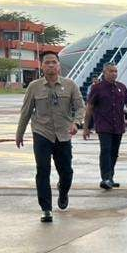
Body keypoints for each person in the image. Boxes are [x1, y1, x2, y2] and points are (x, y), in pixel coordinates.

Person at [15, 51, 84, 223]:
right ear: (42, 66)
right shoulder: (34, 87)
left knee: (66, 172)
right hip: (42, 133)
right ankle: (46, 208)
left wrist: (76, 123)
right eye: (47, 62)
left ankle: (63, 190)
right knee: (42, 170)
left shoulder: (70, 85)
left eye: (54, 62)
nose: (51, 65)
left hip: (63, 134)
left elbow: (80, 107)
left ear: (59, 65)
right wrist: (20, 133)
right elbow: (26, 111)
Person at [82, 62, 127, 189]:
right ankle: (105, 178)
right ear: (104, 72)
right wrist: (86, 127)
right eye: (111, 71)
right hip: (104, 126)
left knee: (114, 152)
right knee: (106, 151)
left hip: (118, 125)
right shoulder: (97, 88)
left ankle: (111, 177)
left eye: (115, 71)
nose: (114, 73)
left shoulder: (122, 87)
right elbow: (89, 108)